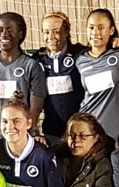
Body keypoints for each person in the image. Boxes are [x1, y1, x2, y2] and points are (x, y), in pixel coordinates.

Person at [0, 12, 46, 138]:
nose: (4, 34)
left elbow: (35, 109)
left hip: (21, 137)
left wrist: (22, 136)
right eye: (0, 30)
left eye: (10, 29)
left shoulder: (32, 66)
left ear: (20, 34)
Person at [76, 8, 119, 140]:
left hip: (116, 130)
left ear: (111, 30)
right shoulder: (79, 60)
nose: (95, 33)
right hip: (88, 130)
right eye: (91, 28)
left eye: (101, 28)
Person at [35, 11, 86, 143]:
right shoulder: (38, 59)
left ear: (67, 32)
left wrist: (118, 42)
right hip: (51, 131)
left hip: (80, 130)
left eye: (56, 32)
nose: (51, 37)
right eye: (46, 32)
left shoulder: (81, 54)